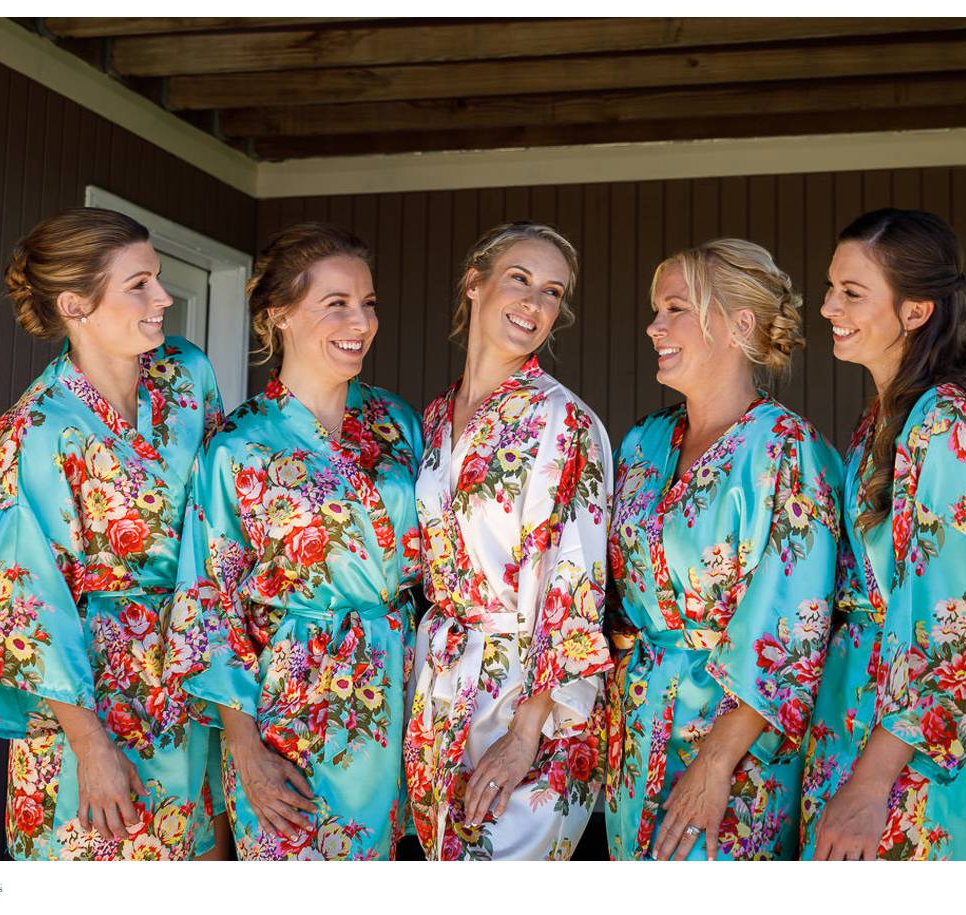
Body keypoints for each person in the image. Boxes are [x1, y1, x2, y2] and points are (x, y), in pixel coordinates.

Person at [0, 208, 225, 859]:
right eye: (139, 285)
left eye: (158, 278)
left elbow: (227, 515)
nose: (163, 298)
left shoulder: (185, 376)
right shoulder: (33, 431)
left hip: (189, 681)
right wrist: (92, 749)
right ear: (75, 304)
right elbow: (23, 601)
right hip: (91, 707)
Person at [164, 223, 422, 860]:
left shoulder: (396, 420)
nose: (359, 320)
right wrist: (247, 753)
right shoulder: (237, 446)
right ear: (278, 316)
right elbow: (209, 601)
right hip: (291, 710)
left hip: (400, 692)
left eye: (368, 303)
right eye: (335, 303)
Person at [605, 239, 842, 860]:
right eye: (657, 309)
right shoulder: (643, 443)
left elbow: (794, 637)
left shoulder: (791, 454)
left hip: (735, 761)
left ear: (738, 325)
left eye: (676, 308)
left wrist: (713, 767)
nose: (654, 325)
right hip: (636, 737)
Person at [800, 208, 966, 861]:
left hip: (916, 739)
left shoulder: (948, 426)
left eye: (851, 292)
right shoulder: (884, 419)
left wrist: (869, 785)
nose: (826, 306)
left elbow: (954, 630)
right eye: (831, 287)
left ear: (915, 311)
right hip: (860, 706)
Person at [405, 221, 613, 860]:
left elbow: (575, 586)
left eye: (552, 293)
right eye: (519, 280)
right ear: (475, 283)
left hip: (532, 705)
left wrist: (527, 734)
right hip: (441, 694)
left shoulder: (564, 420)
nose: (534, 303)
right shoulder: (437, 416)